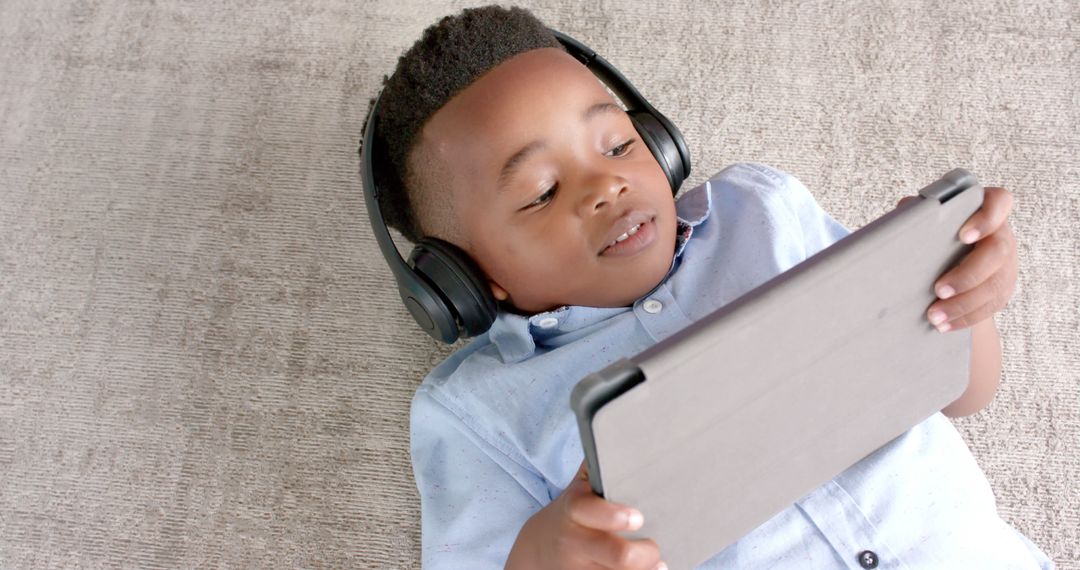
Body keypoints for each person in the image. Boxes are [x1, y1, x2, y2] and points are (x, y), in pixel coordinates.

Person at [361, 5, 1051, 569]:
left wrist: (963, 297)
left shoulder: (764, 213)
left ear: (661, 143)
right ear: (469, 280)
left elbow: (964, 393)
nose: (607, 185)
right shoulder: (475, 414)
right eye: (542, 192)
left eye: (617, 145)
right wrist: (542, 556)